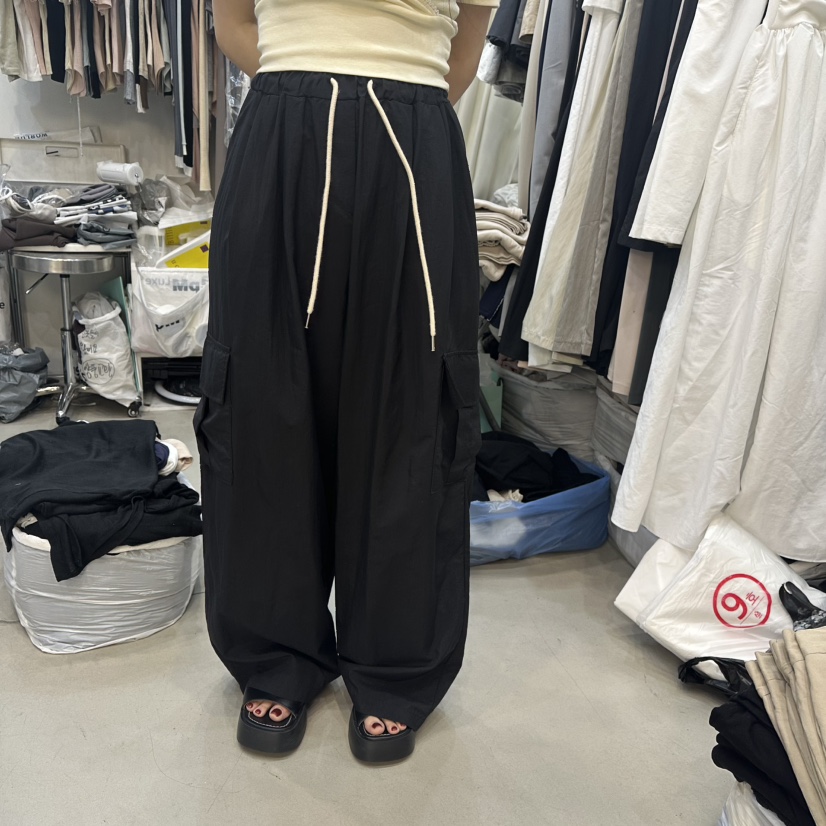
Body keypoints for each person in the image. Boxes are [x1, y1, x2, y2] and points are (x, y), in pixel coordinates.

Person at [199, 0, 494, 763]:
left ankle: (396, 662)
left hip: (414, 139)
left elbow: (465, 47)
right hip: (281, 133)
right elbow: (233, 25)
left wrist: (385, 93)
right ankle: (276, 652)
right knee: (261, 399)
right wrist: (310, 89)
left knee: (412, 404)